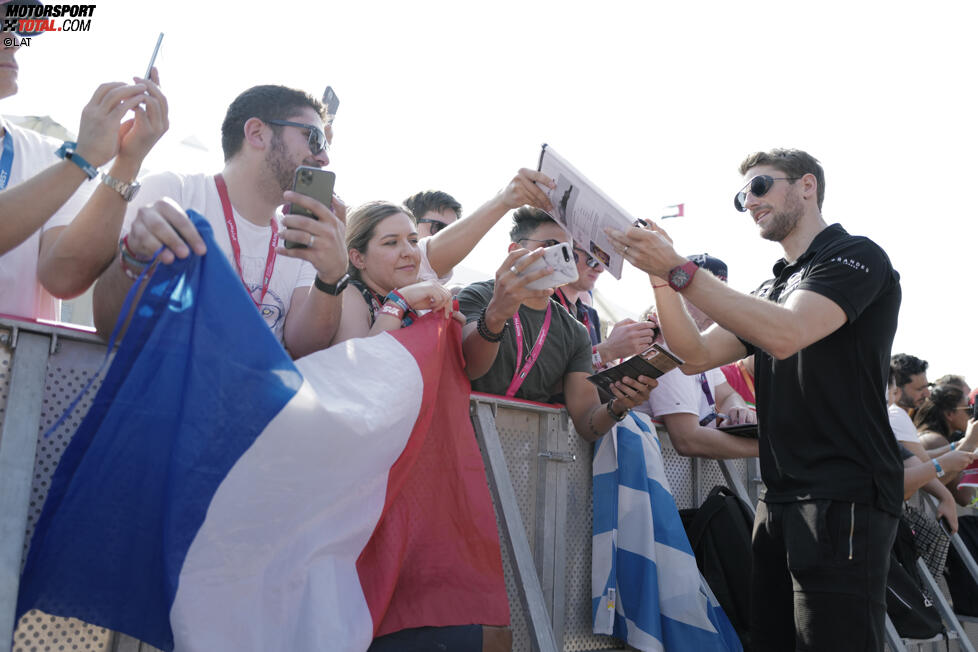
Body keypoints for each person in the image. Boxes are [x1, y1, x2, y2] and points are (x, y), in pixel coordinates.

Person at [606, 148, 903, 651]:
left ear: (806, 186)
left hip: (843, 492)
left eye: (760, 186)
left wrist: (678, 268)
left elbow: (788, 334)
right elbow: (695, 354)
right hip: (781, 494)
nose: (750, 202)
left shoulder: (855, 255)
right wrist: (661, 279)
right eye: (742, 195)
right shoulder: (774, 285)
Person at [91, 85, 347, 359]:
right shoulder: (172, 194)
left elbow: (305, 346)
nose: (324, 157)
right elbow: (110, 325)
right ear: (257, 133)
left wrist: (331, 278)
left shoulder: (300, 234)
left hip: (254, 399)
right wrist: (135, 256)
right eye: (314, 138)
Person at [0, 27, 166, 320]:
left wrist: (127, 161)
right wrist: (83, 159)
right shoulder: (67, 165)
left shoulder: (50, 158)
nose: (13, 41)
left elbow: (64, 278)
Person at [457, 205, 656, 442]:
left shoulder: (574, 331)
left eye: (569, 252)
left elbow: (586, 421)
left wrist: (620, 406)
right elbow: (470, 366)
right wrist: (496, 315)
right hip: (461, 441)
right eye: (550, 246)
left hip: (525, 457)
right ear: (515, 250)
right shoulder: (478, 295)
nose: (561, 258)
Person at [637, 254, 758, 459]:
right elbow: (687, 440)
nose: (717, 306)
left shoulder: (699, 346)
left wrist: (737, 409)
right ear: (679, 295)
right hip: (660, 480)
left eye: (721, 296)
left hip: (678, 483)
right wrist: (770, 449)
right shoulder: (665, 346)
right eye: (707, 295)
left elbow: (728, 395)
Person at [915, 384, 978, 505]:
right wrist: (971, 444)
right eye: (968, 409)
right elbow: (965, 496)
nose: (971, 415)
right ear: (949, 414)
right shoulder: (934, 440)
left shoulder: (935, 437)